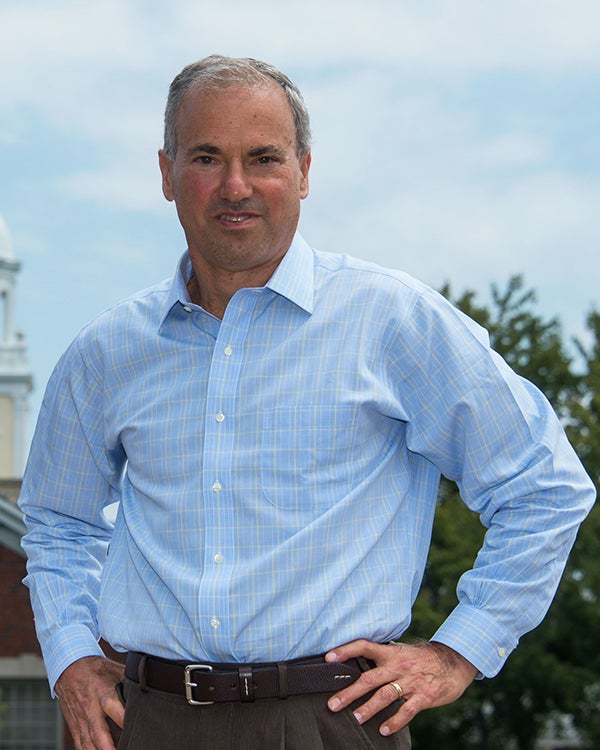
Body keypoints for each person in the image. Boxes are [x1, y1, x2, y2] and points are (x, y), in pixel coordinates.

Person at [19, 54, 595, 750]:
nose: (237, 186)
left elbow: (544, 484)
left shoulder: (392, 321)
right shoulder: (106, 351)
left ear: (304, 171)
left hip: (333, 722)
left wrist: (459, 650)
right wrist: (72, 658)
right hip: (150, 721)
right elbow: (58, 523)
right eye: (207, 157)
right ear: (167, 173)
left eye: (263, 158)